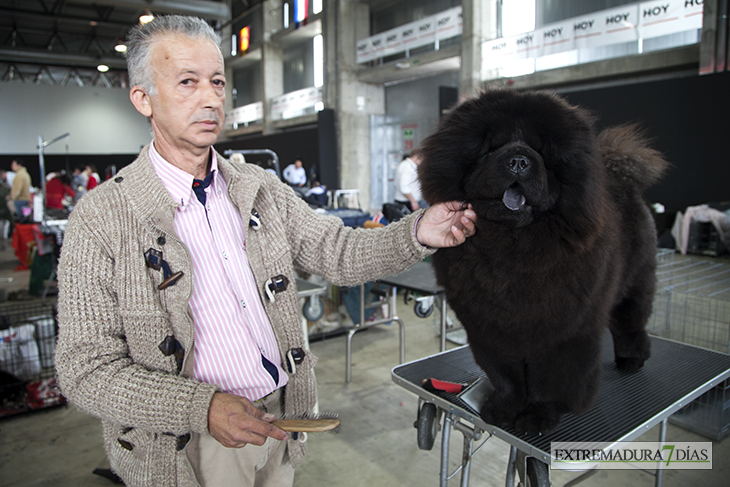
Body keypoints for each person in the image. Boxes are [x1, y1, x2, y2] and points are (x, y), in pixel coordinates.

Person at [54, 15, 476, 487]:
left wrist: (417, 231)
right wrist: (202, 407)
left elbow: (336, 249)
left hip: (280, 422)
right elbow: (85, 369)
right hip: (187, 448)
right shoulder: (101, 217)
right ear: (143, 99)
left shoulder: (259, 189)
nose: (211, 98)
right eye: (187, 83)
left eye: (217, 82)